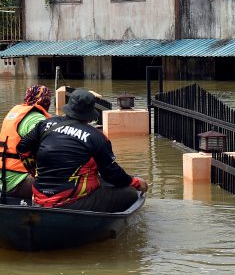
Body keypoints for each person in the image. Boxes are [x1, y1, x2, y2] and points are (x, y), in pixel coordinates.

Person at [16, 87, 148, 212]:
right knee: (130, 193)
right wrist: (135, 182)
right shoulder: (96, 137)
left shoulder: (44, 124)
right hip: (72, 202)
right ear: (89, 115)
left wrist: (34, 171)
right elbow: (111, 174)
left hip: (39, 199)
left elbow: (22, 148)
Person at [0, 85, 52, 200]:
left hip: (6, 181)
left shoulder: (16, 113)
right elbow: (51, 147)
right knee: (69, 182)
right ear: (46, 101)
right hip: (20, 182)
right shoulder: (36, 119)